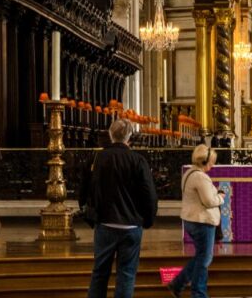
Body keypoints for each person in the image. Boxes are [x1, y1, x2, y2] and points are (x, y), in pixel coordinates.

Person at [81, 119, 158, 298]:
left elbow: (85, 187)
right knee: (127, 275)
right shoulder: (138, 160)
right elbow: (150, 195)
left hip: (105, 223)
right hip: (131, 225)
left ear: (110, 134)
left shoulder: (97, 158)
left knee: (99, 274)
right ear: (130, 136)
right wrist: (148, 220)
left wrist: (89, 213)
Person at [168, 145, 225, 298]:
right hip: (202, 222)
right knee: (204, 259)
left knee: (202, 256)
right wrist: (221, 197)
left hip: (191, 220)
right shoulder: (200, 176)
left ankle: (178, 284)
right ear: (204, 160)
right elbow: (208, 201)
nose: (212, 165)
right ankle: (197, 293)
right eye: (211, 161)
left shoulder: (189, 173)